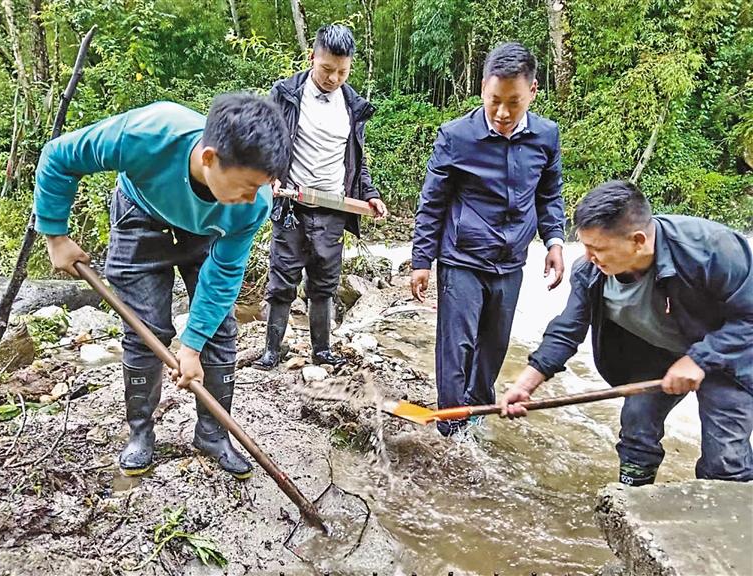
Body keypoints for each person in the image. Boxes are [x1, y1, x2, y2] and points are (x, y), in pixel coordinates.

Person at [33, 93, 290, 479]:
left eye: (262, 187)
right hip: (140, 215)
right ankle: (140, 433)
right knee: (146, 329)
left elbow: (223, 275)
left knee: (219, 332)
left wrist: (192, 346)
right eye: (248, 186)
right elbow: (59, 156)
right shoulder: (147, 135)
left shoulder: (251, 204)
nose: (254, 198)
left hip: (207, 229)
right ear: (209, 158)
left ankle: (213, 434)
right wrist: (55, 235)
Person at [500, 180, 753, 485]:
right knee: (637, 429)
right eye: (585, 246)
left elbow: (749, 317)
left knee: (725, 460)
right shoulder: (590, 272)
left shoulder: (713, 250)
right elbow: (567, 331)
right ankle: (630, 500)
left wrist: (699, 359)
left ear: (638, 241)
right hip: (657, 354)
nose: (588, 257)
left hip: (727, 354)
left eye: (598, 249)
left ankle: (725, 509)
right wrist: (525, 385)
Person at [410, 42, 566, 436]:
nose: (502, 112)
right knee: (457, 346)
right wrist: (421, 261)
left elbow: (549, 194)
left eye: (514, 102)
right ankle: (451, 427)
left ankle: (476, 415)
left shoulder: (546, 136)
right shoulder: (456, 137)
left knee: (494, 348)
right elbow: (432, 202)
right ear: (483, 89)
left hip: (511, 261)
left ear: (532, 92)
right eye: (495, 100)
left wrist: (554, 241)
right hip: (462, 257)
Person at [253, 24, 387, 371]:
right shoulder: (286, 94)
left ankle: (322, 351)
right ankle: (271, 351)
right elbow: (266, 142)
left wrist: (370, 194)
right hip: (291, 205)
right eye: (327, 69)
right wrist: (268, 175)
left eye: (342, 71)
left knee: (324, 283)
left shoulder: (352, 105)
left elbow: (356, 160)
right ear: (312, 57)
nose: (333, 78)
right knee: (282, 279)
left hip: (333, 208)